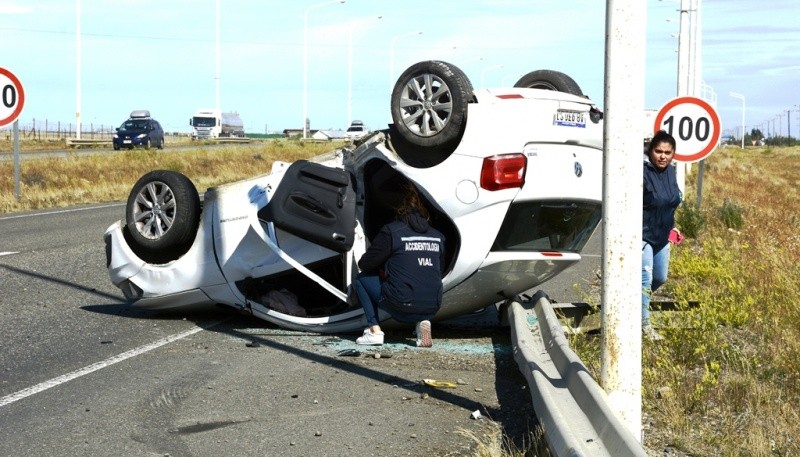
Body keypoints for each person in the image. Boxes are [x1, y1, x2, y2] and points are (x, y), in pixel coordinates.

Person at [352, 182, 445, 347]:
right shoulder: (438, 236)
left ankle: (374, 331)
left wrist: (384, 268)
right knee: (423, 277)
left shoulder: (392, 231)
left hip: (402, 305)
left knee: (362, 279)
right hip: (433, 306)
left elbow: (365, 264)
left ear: (399, 210)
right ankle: (422, 321)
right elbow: (439, 270)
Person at [642, 130, 682, 340]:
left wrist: (673, 226)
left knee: (660, 277)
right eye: (658, 151)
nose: (663, 156)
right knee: (646, 279)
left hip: (663, 234)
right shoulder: (642, 172)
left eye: (668, 152)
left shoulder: (671, 172)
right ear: (651, 151)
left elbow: (670, 202)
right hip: (642, 235)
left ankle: (635, 302)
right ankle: (644, 327)